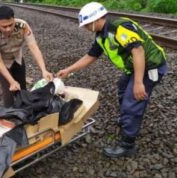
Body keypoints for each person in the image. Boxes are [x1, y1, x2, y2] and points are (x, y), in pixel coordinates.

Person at [56, 2, 167, 158]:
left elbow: (138, 51)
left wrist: (138, 82)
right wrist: (68, 70)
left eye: (87, 24)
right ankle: (127, 120)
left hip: (150, 66)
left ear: (96, 19)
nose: (86, 28)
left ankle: (128, 145)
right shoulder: (102, 34)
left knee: (133, 99)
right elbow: (91, 56)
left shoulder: (118, 28)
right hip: (134, 67)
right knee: (122, 87)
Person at [0, 5, 53, 107]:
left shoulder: (23, 26)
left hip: (17, 57)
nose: (8, 29)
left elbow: (33, 47)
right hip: (3, 62)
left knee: (22, 87)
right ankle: (10, 114)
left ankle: (25, 111)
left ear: (14, 19)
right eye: (4, 26)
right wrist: (11, 81)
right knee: (9, 90)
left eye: (11, 25)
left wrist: (43, 70)